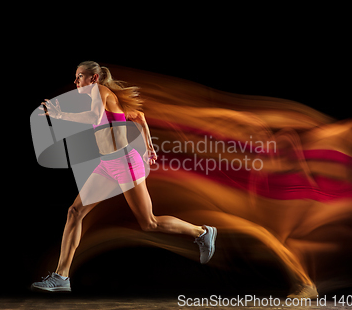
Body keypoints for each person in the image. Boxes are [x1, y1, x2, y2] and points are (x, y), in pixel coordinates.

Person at [32, 61, 217, 292]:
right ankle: (62, 277)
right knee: (74, 211)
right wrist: (149, 146)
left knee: (148, 223)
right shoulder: (106, 99)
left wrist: (61, 114)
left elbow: (92, 116)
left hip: (126, 163)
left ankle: (202, 232)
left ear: (94, 78)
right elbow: (138, 115)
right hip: (107, 165)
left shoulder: (100, 92)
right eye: (76, 77)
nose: (76, 81)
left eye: (79, 76)